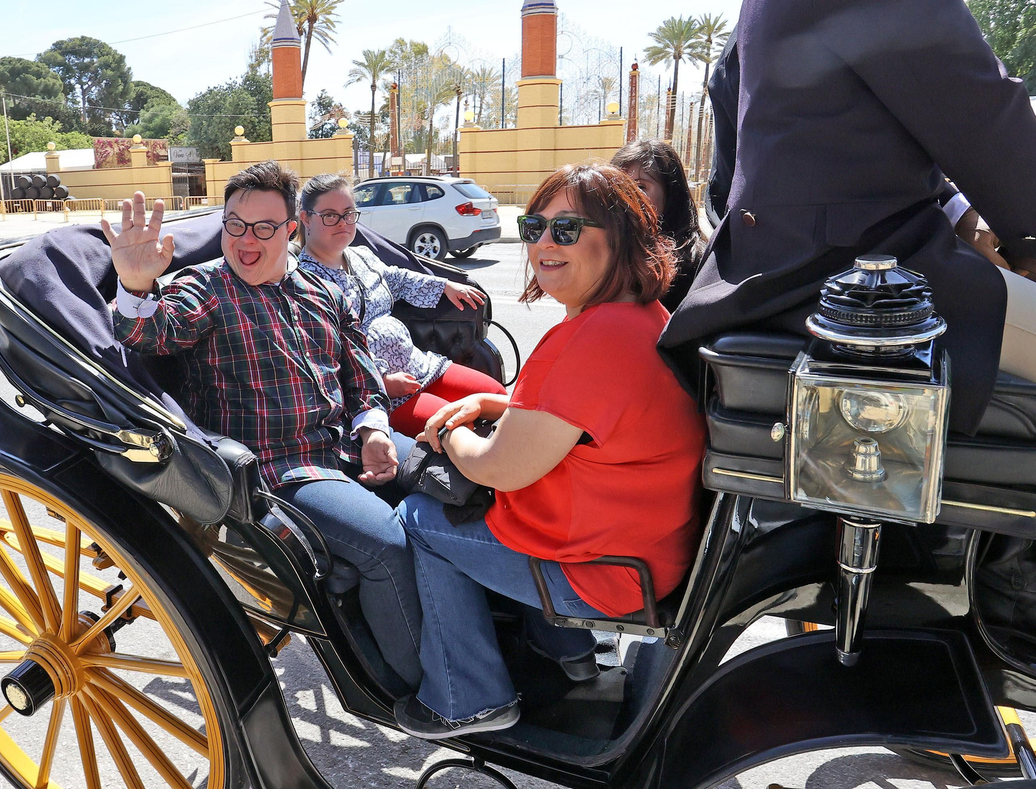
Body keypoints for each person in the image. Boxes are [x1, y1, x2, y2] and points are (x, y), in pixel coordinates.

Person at [659, 0, 1036, 670]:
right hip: (860, 275)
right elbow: (966, 96)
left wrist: (971, 217)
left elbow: (859, 116)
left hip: (800, 261)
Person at [391, 164, 705, 738]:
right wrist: (489, 408)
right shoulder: (635, 318)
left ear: (621, 238)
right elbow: (569, 416)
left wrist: (447, 433)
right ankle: (571, 654)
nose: (542, 244)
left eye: (566, 230)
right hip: (642, 551)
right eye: (535, 226)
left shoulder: (591, 338)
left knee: (418, 516)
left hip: (601, 572)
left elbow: (499, 470)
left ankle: (469, 697)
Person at [107, 161, 423, 686]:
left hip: (343, 442)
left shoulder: (323, 291)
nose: (245, 241)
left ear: (291, 231)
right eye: (235, 224)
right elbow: (153, 333)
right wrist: (136, 284)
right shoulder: (207, 287)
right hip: (278, 470)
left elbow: (360, 371)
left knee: (462, 484)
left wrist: (372, 429)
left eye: (263, 228)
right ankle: (414, 687)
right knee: (387, 546)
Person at [295, 174, 504, 435]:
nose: (342, 223)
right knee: (459, 427)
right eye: (330, 215)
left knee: (497, 397)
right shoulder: (303, 281)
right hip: (377, 393)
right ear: (305, 218)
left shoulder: (360, 256)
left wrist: (444, 285)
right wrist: (382, 381)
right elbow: (325, 352)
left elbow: (396, 278)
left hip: (417, 364)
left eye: (348, 213)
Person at [609, 139, 704, 311]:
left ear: (671, 193)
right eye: (618, 187)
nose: (626, 196)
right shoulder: (608, 252)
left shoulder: (691, 264)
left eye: (640, 186)